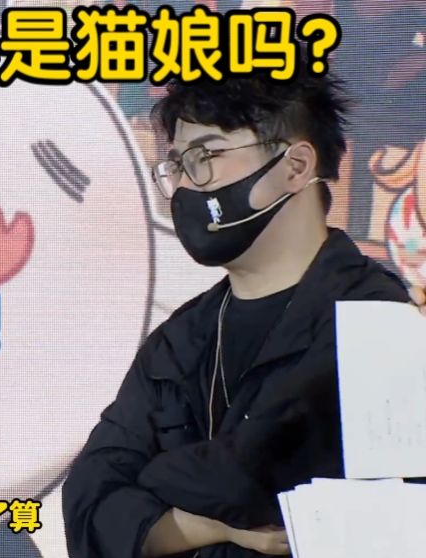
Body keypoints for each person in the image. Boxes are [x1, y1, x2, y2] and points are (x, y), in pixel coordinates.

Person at [61, 58, 426, 558]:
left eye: (205, 155)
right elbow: (89, 501)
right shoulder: (179, 340)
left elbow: (254, 474)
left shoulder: (377, 318)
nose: (187, 186)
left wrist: (155, 483)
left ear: (296, 166)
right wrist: (208, 527)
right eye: (177, 165)